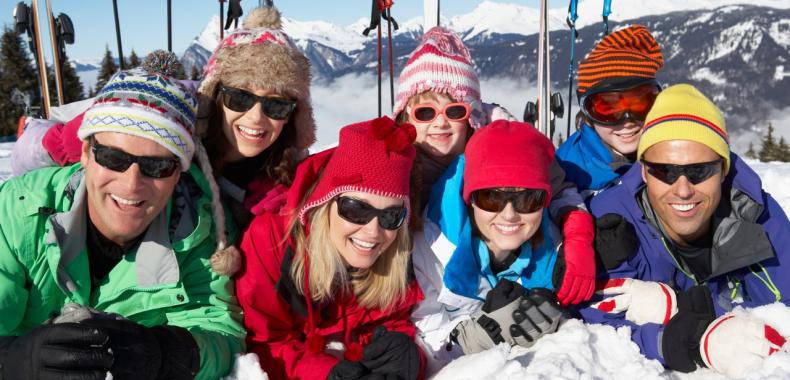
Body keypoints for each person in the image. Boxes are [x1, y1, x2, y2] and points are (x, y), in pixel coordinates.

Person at [0, 69, 245, 379]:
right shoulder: (18, 213)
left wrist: (166, 353)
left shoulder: (201, 234)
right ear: (86, 154)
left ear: (177, 174)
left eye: (156, 166)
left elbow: (221, 335)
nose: (131, 185)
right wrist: (11, 360)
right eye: (113, 158)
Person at [580, 84, 790, 378]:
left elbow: (783, 316)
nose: (682, 190)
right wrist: (690, 339)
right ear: (643, 171)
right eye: (664, 171)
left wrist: (678, 308)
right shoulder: (611, 221)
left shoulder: (754, 213)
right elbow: (590, 323)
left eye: (699, 171)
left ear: (723, 170)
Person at [393, 26, 596, 307]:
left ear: (472, 116)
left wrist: (578, 238)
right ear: (405, 119)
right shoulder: (393, 166)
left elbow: (559, 190)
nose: (440, 123)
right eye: (425, 113)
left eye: (454, 111)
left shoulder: (510, 150)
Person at [236, 117, 425, 380]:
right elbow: (266, 341)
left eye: (391, 215)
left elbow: (390, 321)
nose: (373, 231)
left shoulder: (395, 250)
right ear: (324, 203)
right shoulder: (272, 240)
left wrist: (402, 355)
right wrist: (325, 373)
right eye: (356, 209)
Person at [411, 120, 564, 374]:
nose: (510, 214)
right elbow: (427, 344)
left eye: (528, 199)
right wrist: (481, 334)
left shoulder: (556, 251)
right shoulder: (431, 250)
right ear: (470, 200)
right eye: (491, 198)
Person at [556, 25, 664, 200]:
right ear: (588, 113)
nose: (627, 121)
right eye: (608, 109)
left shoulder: (672, 149)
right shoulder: (567, 170)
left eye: (639, 104)